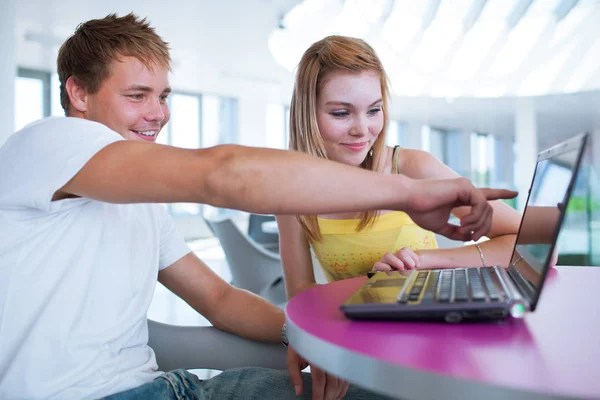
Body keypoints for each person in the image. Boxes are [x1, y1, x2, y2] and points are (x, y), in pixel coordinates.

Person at [0, 14, 516, 400]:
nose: (158, 114)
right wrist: (407, 194)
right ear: (78, 93)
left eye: (163, 95)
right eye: (138, 95)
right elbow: (221, 175)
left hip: (171, 388)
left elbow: (220, 299)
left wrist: (310, 335)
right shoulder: (50, 144)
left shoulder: (142, 201)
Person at [277, 35, 522, 298]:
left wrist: (425, 260)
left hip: (436, 329)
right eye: (341, 113)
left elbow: (532, 243)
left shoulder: (413, 167)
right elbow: (300, 294)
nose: (362, 130)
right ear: (307, 113)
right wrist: (369, 290)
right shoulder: (291, 192)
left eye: (373, 110)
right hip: (355, 335)